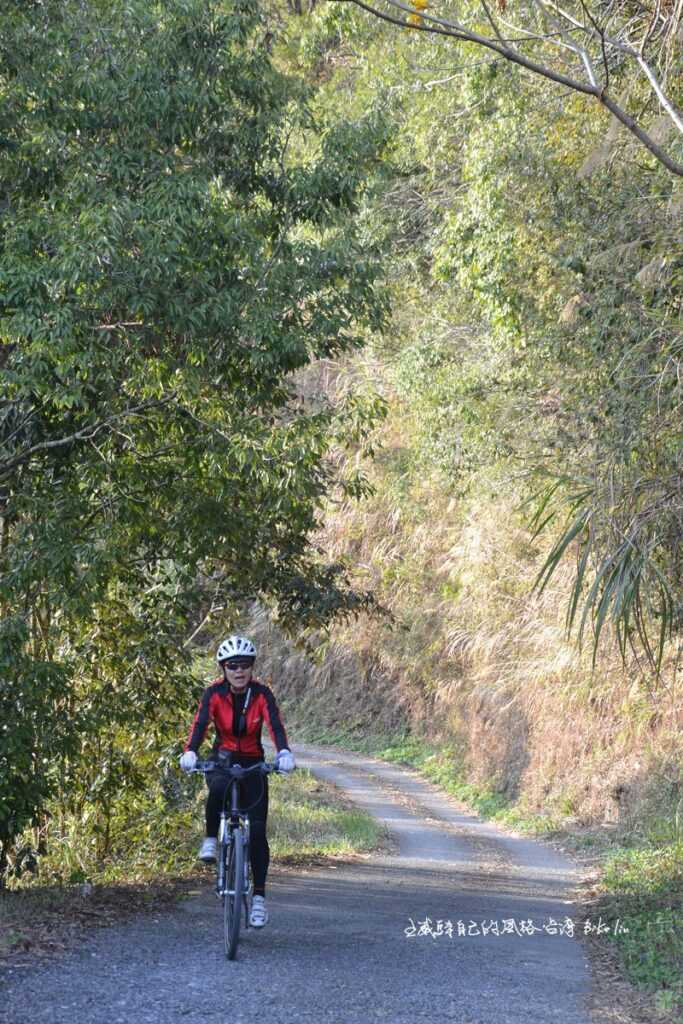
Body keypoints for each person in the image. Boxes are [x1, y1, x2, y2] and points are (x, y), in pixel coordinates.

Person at [179, 635, 295, 928]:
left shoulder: (261, 694)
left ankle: (258, 899)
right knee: (217, 788)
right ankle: (210, 840)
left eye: (244, 665)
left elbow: (275, 724)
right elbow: (201, 723)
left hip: (254, 762)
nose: (239, 671)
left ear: (252, 667)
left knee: (256, 831)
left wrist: (283, 752)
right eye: (232, 666)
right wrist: (191, 751)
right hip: (223, 758)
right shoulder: (214, 694)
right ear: (224, 668)